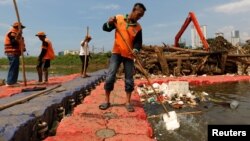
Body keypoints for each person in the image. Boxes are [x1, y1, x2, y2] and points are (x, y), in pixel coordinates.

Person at [99, 3, 146, 112]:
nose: (139, 17)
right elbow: (105, 28)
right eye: (138, 14)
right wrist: (109, 22)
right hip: (116, 53)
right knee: (110, 76)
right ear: (133, 10)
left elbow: (138, 43)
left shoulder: (138, 28)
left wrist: (135, 50)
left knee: (129, 79)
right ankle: (106, 101)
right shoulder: (119, 18)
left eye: (141, 16)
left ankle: (128, 102)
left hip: (129, 55)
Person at [4, 22, 26, 87]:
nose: (22, 29)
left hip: (15, 53)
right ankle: (10, 82)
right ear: (17, 27)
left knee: (15, 67)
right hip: (12, 53)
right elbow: (13, 42)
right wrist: (18, 35)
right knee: (13, 67)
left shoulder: (17, 34)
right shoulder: (12, 33)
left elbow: (19, 43)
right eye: (21, 28)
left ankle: (13, 81)